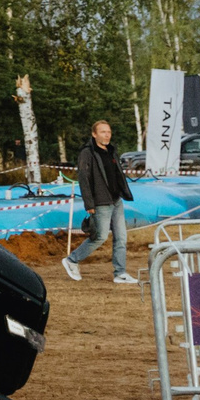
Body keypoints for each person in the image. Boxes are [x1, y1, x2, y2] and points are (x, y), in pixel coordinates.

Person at [62, 120, 137, 285]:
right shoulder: (87, 153)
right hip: (100, 202)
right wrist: (89, 204)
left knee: (121, 237)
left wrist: (124, 191)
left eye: (108, 132)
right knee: (100, 237)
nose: (107, 135)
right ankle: (72, 260)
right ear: (94, 134)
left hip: (116, 200)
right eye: (103, 132)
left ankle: (120, 273)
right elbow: (84, 179)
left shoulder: (111, 151)